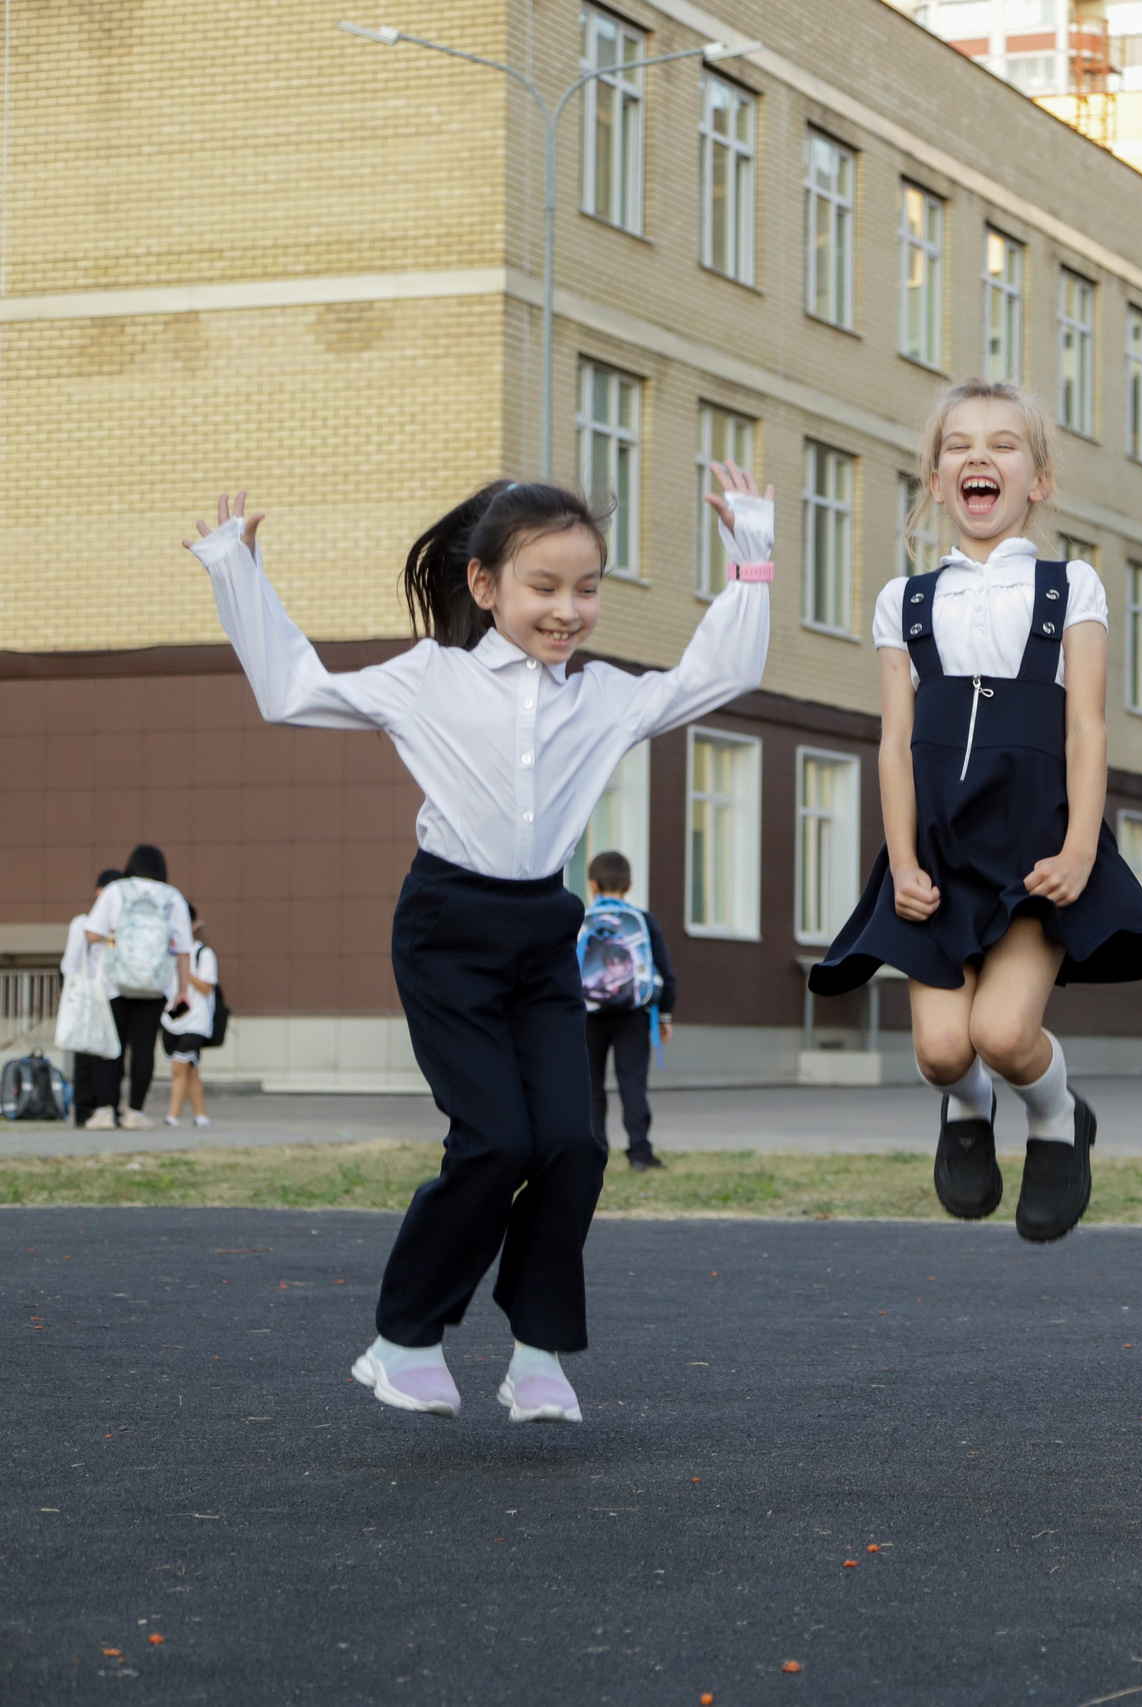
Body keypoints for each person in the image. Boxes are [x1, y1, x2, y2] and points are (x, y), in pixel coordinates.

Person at [183, 468, 772, 1424]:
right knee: (496, 1141)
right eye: (544, 586)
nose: (569, 609)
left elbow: (722, 674)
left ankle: (538, 1354)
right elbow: (293, 690)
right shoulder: (428, 679)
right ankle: (402, 1339)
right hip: (448, 933)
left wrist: (752, 554)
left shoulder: (605, 700)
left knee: (576, 1144)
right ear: (485, 585)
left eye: (587, 587)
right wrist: (235, 572)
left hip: (543, 931)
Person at [811, 380, 1142, 1243]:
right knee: (943, 1052)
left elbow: (1086, 726)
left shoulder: (1067, 586)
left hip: (1033, 844)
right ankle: (965, 1109)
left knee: (1005, 1033)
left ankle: (1054, 1117)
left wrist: (1082, 847)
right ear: (936, 482)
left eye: (1004, 444)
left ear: (1037, 480)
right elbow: (894, 743)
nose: (980, 456)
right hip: (933, 848)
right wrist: (900, 862)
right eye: (960, 445)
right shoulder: (906, 600)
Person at [86, 845, 194, 1130]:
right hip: (155, 985)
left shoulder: (115, 891)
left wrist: (113, 938)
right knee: (144, 1049)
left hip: (115, 983)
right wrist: (182, 990)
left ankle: (106, 1111)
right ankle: (135, 1111)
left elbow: (91, 932)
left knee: (110, 1047)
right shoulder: (173, 897)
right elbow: (183, 949)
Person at [580, 851, 674, 1171]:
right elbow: (666, 973)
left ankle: (595, 1154)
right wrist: (664, 1016)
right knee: (632, 1083)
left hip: (588, 1015)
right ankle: (640, 1153)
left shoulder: (581, 920)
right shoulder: (644, 921)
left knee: (590, 1086)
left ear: (592, 884)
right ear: (630, 884)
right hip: (634, 1014)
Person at [63, 868, 125, 1131]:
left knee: (111, 1053)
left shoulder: (125, 926)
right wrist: (75, 993)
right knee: (86, 1054)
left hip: (114, 994)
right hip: (89, 995)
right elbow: (70, 963)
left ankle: (107, 1107)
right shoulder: (83, 923)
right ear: (99, 892)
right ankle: (85, 1109)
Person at [162, 905, 220, 1129]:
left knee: (179, 1066)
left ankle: (172, 1116)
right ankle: (201, 1115)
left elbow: (207, 987)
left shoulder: (203, 953)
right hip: (172, 1019)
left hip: (196, 1021)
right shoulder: (167, 951)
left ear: (194, 925)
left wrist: (186, 968)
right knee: (190, 1069)